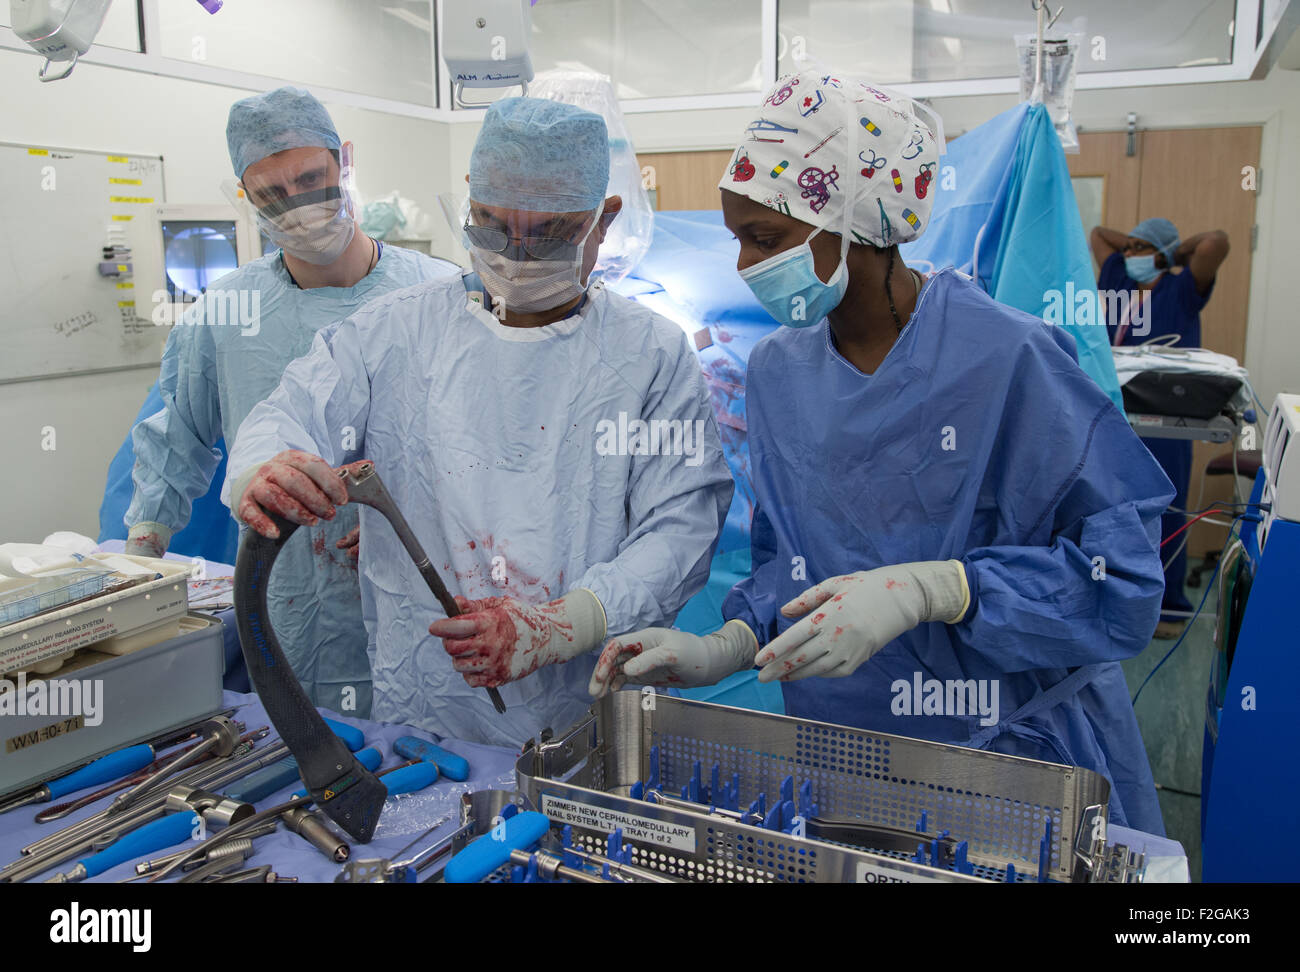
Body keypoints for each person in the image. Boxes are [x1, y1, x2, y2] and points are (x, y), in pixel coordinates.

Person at [590, 71, 1174, 835]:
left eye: (765, 240)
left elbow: (1124, 585)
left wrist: (937, 590)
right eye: (738, 237)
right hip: (849, 760)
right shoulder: (778, 374)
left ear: (857, 223)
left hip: (1012, 759)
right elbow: (788, 567)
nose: (744, 266)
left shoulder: (1009, 360)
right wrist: (722, 646)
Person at [224, 97, 733, 747]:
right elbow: (292, 410)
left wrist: (565, 624)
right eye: (492, 228)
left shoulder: (652, 354)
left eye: (549, 234)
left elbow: (682, 525)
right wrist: (269, 468)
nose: (516, 256)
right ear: (469, 204)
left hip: (590, 707)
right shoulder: (394, 331)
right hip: (423, 706)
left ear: (602, 222)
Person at [124, 86, 456, 717]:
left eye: (312, 179)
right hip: (291, 597)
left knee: (433, 756)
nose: (299, 206)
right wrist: (137, 567)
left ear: (345, 161)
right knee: (306, 749)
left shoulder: (439, 294)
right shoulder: (227, 313)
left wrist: (435, 518)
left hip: (421, 589)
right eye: (272, 194)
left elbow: (487, 448)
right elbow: (176, 441)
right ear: (243, 197)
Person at [1091, 219, 1230, 639]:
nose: (1130, 255)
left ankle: (1169, 608)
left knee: (1165, 507)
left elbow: (1215, 240)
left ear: (1166, 257)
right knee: (1110, 508)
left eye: (1142, 249)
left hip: (1167, 419)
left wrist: (1169, 255)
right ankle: (1114, 599)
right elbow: (1099, 234)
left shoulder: (1182, 290)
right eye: (1129, 248)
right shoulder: (1118, 279)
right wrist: (1138, 246)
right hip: (1116, 411)